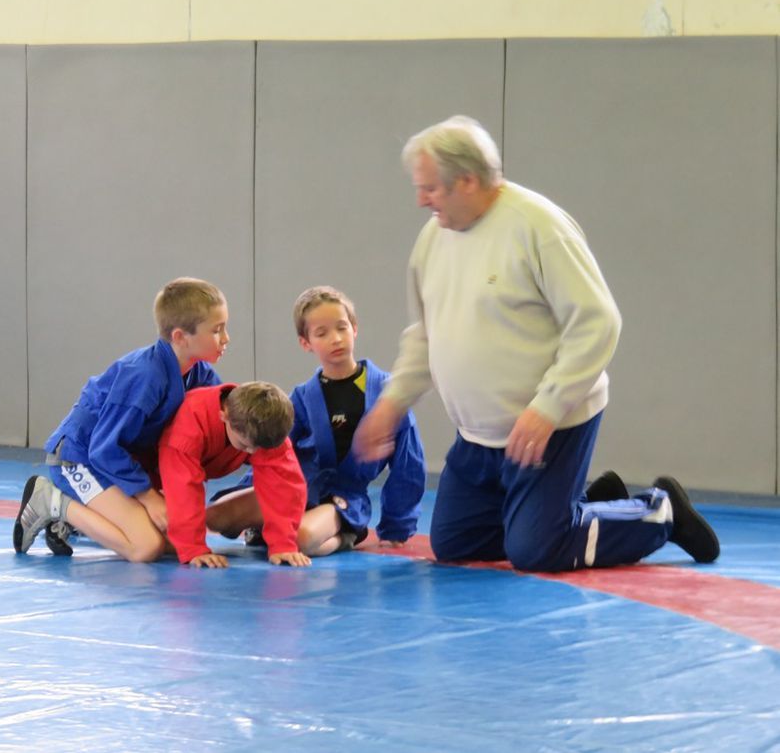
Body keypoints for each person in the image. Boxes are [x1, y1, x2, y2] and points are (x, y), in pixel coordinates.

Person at [352, 115, 719, 572]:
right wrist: (391, 404)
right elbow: (426, 334)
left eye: (430, 188)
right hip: (478, 436)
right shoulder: (434, 236)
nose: (421, 199)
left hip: (549, 425)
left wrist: (548, 406)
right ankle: (574, 510)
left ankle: (658, 512)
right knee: (455, 543)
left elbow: (598, 322)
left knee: (535, 552)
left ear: (467, 181)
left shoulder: (539, 227)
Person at [13, 276, 229, 562]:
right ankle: (52, 502)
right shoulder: (143, 376)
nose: (226, 339)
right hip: (79, 459)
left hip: (115, 463)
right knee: (145, 548)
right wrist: (149, 498)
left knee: (174, 541)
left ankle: (86, 518)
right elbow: (103, 449)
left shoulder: (202, 375)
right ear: (180, 337)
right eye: (217, 331)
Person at [285, 286, 426, 556]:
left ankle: (347, 535)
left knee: (301, 539)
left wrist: (397, 526)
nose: (335, 339)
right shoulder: (303, 397)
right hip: (300, 494)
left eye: (341, 328)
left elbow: (408, 466)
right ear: (306, 343)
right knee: (223, 516)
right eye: (322, 333)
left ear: (355, 328)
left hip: (345, 500)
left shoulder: (388, 394)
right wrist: (251, 491)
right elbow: (275, 452)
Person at [160, 381, 310, 568]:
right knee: (151, 544)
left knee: (214, 519)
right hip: (142, 475)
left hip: (192, 461)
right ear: (224, 416)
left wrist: (283, 545)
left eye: (258, 447)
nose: (253, 452)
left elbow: (284, 485)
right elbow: (183, 489)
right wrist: (193, 549)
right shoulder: (189, 427)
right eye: (245, 445)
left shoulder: (264, 425)